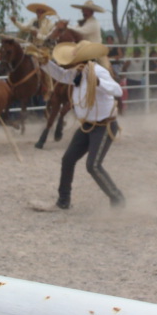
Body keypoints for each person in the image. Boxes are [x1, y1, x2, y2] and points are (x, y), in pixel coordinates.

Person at [40, 40, 125, 210]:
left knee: (93, 165)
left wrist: (99, 83)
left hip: (103, 126)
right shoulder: (77, 73)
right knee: (68, 159)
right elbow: (60, 74)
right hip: (88, 126)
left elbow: (117, 90)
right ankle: (63, 201)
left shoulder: (98, 72)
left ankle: (118, 198)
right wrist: (44, 63)